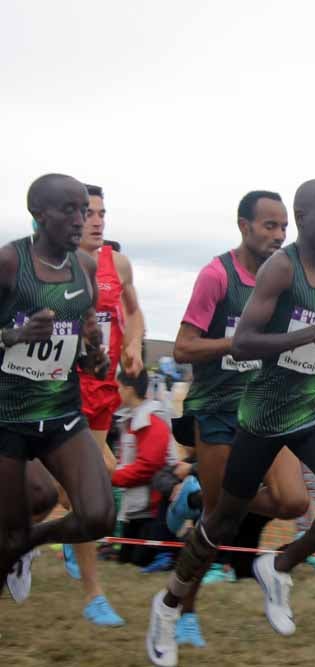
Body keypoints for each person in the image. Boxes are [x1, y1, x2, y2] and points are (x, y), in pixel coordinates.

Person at [146, 179, 315, 667]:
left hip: (312, 411)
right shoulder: (279, 269)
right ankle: (168, 606)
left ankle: (278, 564)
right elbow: (246, 341)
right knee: (221, 519)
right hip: (263, 415)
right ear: (305, 218)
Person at [166, 190, 313, 647]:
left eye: (284, 226)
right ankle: (184, 613)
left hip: (267, 409)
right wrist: (239, 344)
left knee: (293, 501)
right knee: (217, 524)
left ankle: (203, 497)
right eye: (269, 225)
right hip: (216, 410)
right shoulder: (218, 276)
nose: (278, 235)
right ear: (244, 226)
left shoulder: (285, 280)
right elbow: (182, 348)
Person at [1, 173, 115, 604]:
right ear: (39, 214)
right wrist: (14, 336)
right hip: (8, 413)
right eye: (69, 210)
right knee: (12, 525)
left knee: (99, 516)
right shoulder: (10, 263)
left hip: (62, 409)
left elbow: (82, 338)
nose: (80, 220)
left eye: (83, 211)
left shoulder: (85, 267)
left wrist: (91, 357)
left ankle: (25, 545)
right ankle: (14, 546)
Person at [58, 183, 147, 626]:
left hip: (102, 388)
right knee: (90, 482)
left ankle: (42, 536)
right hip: (59, 388)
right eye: (88, 213)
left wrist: (133, 345)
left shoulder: (119, 264)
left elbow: (134, 313)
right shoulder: (53, 265)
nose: (96, 220)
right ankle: (93, 592)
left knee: (101, 473)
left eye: (101, 213)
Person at [111, 368, 173, 568]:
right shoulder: (132, 419)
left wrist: (112, 477)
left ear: (129, 389)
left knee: (137, 562)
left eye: (118, 387)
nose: (116, 392)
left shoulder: (152, 421)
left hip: (151, 511)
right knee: (125, 562)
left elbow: (148, 467)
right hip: (136, 508)